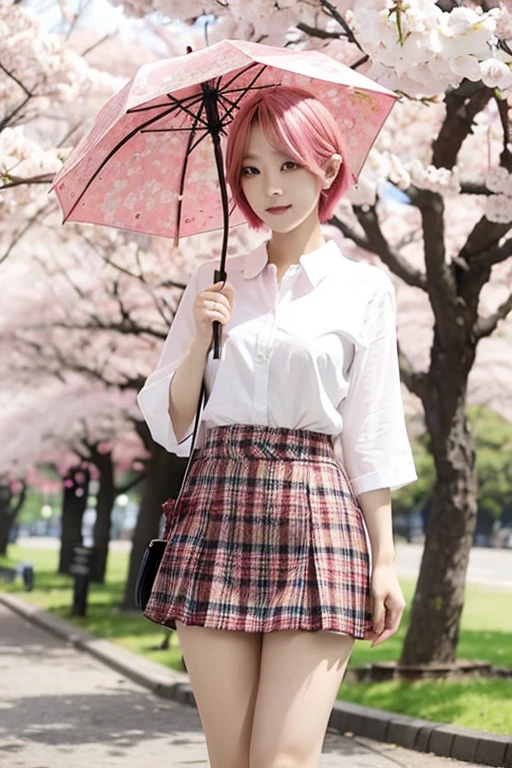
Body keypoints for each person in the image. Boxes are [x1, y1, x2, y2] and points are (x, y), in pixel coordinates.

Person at [137, 85, 418, 768]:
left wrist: (385, 561)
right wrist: (202, 336)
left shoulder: (364, 289)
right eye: (252, 170)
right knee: (231, 760)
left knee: (283, 759)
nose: (270, 187)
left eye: (289, 164)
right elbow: (172, 421)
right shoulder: (214, 281)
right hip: (217, 510)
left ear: (327, 168)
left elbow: (371, 431)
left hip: (318, 516)